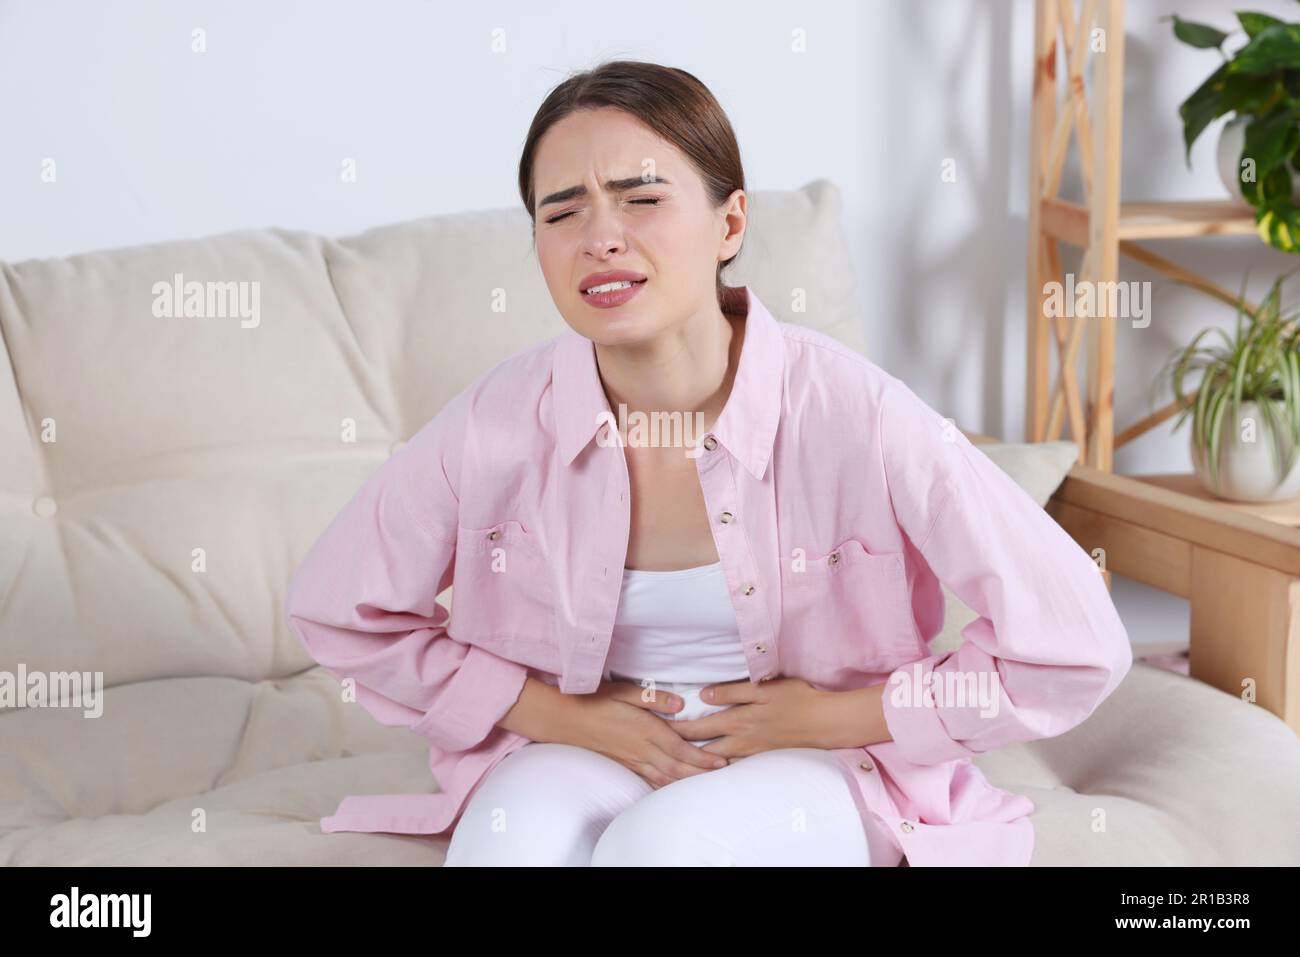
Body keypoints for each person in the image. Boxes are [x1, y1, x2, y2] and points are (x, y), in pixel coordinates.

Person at [285, 59, 1132, 867]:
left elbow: (1073, 641)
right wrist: (559, 715)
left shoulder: (854, 411)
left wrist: (838, 714)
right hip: (588, 744)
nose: (600, 238)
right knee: (508, 838)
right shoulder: (499, 419)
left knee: (658, 850)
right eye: (562, 211)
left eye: (641, 197)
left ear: (729, 223)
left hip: (824, 758)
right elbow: (340, 604)